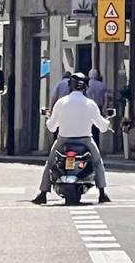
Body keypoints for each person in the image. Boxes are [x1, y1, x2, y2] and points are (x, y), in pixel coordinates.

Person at [33, 72, 112, 205]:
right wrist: (107, 122)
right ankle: (102, 193)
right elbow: (102, 126)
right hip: (85, 140)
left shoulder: (61, 102)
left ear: (70, 85)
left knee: (50, 163)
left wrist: (48, 119)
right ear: (85, 87)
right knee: (97, 162)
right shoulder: (90, 104)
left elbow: (52, 127)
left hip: (63, 140)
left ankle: (43, 193)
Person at [86, 69, 108, 147]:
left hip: (87, 108)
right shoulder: (102, 85)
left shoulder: (86, 85)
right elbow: (106, 98)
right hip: (98, 108)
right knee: (97, 128)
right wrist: (104, 108)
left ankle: (89, 146)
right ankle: (96, 146)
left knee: (88, 127)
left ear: (89, 76)